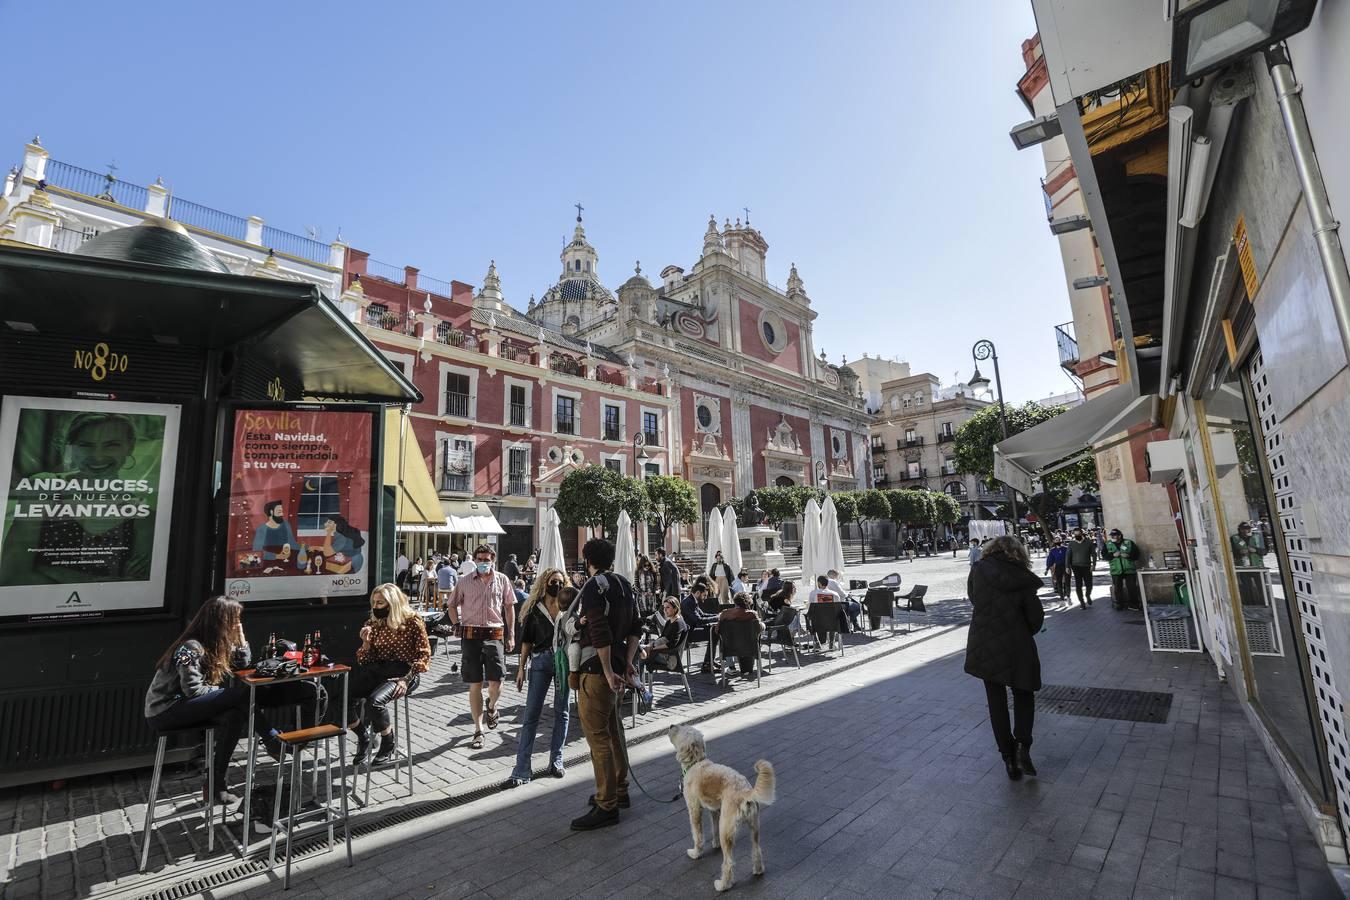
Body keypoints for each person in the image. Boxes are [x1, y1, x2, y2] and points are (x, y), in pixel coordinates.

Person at [144, 596, 280, 804]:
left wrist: (241, 638)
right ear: (219, 621)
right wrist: (222, 694)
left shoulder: (215, 644)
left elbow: (242, 664)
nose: (237, 624)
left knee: (235, 715)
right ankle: (272, 740)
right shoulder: (190, 647)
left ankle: (216, 785)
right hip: (165, 710)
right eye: (234, 620)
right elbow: (193, 690)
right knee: (238, 696)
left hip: (185, 706)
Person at [570, 538, 642, 831]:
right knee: (615, 731)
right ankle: (619, 790)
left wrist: (607, 669)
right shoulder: (624, 584)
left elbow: (598, 630)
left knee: (598, 737)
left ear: (588, 560)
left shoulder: (593, 586)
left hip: (596, 671)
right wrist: (625, 662)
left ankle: (606, 804)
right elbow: (637, 626)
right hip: (617, 668)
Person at [964, 536, 1045, 781]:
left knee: (995, 701)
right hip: (1018, 643)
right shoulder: (1022, 577)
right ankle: (1022, 746)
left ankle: (1008, 757)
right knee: (1024, 693)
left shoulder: (978, 571)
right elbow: (1035, 617)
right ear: (1019, 553)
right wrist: (1020, 630)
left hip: (985, 642)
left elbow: (974, 599)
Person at [347, 584, 431, 765]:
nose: (376, 607)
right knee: (343, 697)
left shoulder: (412, 621)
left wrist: (406, 680)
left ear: (393, 603)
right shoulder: (373, 623)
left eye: (380, 603)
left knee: (374, 702)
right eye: (374, 603)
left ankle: (388, 742)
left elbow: (424, 655)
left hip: (405, 673)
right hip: (379, 670)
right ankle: (363, 736)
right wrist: (366, 644)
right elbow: (364, 660)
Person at [504, 568, 570, 789]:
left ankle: (556, 761)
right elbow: (527, 642)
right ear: (545, 583)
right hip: (540, 662)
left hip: (563, 663)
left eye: (561, 582)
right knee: (531, 715)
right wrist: (521, 668)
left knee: (562, 712)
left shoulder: (568, 607)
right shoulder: (534, 608)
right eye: (553, 582)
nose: (557, 586)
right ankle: (522, 768)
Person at [447, 544, 516, 750]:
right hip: (470, 635)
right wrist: (456, 624)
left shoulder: (502, 580)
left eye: (487, 559)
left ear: (493, 559)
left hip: (495, 634)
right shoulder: (465, 581)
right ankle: (478, 730)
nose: (484, 563)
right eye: (480, 559)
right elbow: (452, 604)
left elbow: (509, 607)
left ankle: (492, 707)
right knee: (474, 684)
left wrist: (511, 635)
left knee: (497, 682)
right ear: (475, 560)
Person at [717, 593, 764, 677]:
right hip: (749, 647)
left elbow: (717, 630)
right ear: (748, 602)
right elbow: (758, 629)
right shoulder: (752, 614)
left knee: (724, 639)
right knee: (762, 627)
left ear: (735, 602)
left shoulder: (724, 614)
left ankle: (731, 667)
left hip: (730, 647)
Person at [639, 596, 688, 676]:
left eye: (668, 607)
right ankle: (636, 681)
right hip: (666, 654)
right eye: (664, 607)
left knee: (640, 654)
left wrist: (652, 648)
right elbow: (662, 637)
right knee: (640, 650)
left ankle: (637, 683)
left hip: (671, 659)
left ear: (675, 608)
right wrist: (650, 645)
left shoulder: (678, 623)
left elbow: (672, 644)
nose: (664, 610)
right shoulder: (670, 621)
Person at [681, 581, 721, 672]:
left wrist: (717, 616)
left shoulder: (692, 600)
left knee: (714, 630)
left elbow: (702, 615)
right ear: (698, 593)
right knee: (713, 633)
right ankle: (707, 664)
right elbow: (699, 620)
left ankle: (710, 660)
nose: (705, 598)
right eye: (704, 595)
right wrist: (717, 618)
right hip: (688, 634)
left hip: (692, 629)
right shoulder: (689, 602)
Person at [1104, 529, 1142, 611]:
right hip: (1116, 570)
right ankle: (1119, 604)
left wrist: (1128, 555)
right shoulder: (1108, 544)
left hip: (1129, 569)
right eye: (1112, 535)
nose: (1113, 537)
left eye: (1114, 535)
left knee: (1132, 588)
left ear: (1119, 535)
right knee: (1117, 588)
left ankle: (1134, 604)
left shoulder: (1128, 543)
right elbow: (1104, 556)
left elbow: (1136, 554)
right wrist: (1113, 555)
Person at [1066, 528, 1095, 608]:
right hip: (1076, 567)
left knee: (1089, 584)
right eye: (1075, 534)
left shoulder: (1089, 542)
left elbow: (1094, 554)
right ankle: (1082, 602)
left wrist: (1094, 565)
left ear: (1082, 534)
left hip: (1087, 566)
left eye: (1078, 534)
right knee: (1078, 585)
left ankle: (1087, 595)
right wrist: (1067, 566)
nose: (1076, 536)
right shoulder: (1071, 544)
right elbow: (1068, 556)